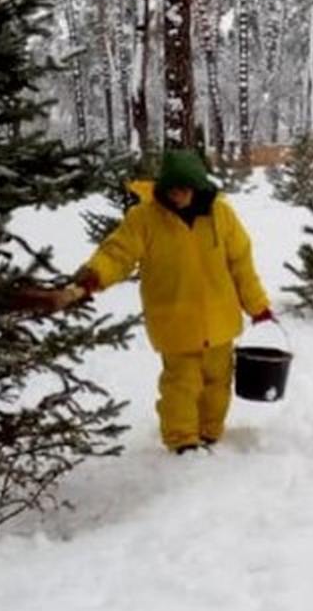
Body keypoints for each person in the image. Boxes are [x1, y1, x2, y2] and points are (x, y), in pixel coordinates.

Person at [71, 149, 273, 453]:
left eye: (184, 188)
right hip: (174, 322)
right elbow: (118, 253)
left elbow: (241, 264)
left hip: (220, 320)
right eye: (172, 188)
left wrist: (257, 306)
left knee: (218, 384)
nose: (178, 195)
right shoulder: (144, 218)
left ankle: (209, 431)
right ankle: (182, 441)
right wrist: (95, 275)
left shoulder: (221, 215)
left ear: (198, 186)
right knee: (181, 386)